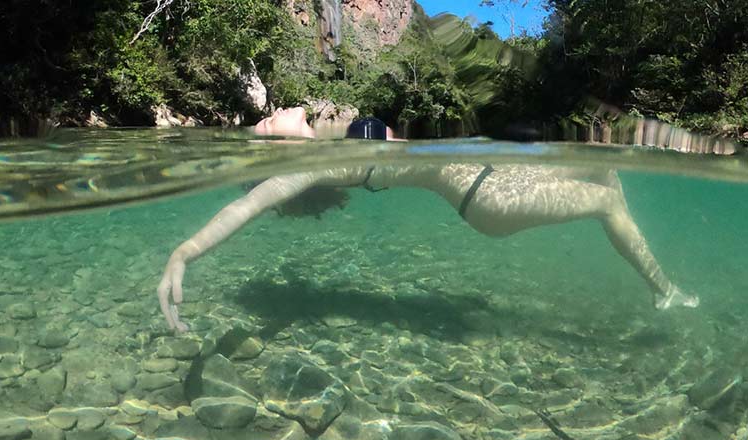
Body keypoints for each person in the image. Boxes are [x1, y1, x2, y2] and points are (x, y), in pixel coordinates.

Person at [158, 107, 698, 332]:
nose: (272, 113)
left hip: (492, 175)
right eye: (265, 123)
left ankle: (662, 287)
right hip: (485, 196)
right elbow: (245, 205)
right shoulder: (308, 168)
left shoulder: (326, 136)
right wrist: (184, 253)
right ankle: (664, 290)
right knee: (606, 198)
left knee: (610, 180)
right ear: (276, 150)